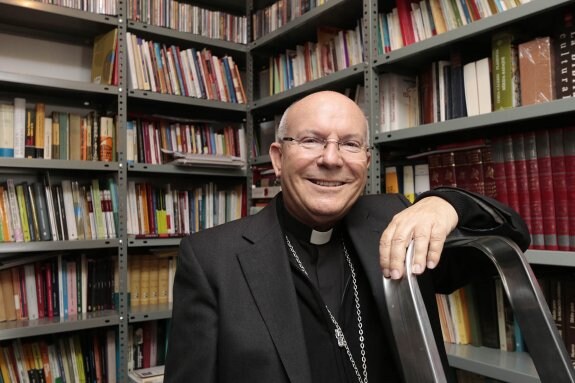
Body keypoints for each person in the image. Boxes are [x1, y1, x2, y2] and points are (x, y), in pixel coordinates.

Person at [164, 91, 529, 383]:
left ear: (367, 163)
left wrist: (446, 204)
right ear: (278, 158)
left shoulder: (396, 220)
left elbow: (513, 233)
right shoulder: (212, 258)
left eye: (351, 144)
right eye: (311, 140)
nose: (332, 158)